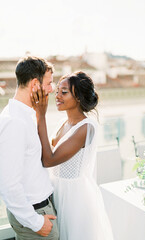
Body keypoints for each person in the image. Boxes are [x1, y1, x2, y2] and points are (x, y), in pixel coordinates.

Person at [31, 71, 114, 240]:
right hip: (57, 191)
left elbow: (49, 160)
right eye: (57, 91)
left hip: (75, 198)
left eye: (64, 92)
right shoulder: (64, 123)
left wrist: (41, 114)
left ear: (78, 97)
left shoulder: (86, 127)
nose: (58, 96)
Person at [0, 56, 59, 240]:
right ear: (35, 84)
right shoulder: (15, 122)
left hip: (39, 208)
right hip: (35, 213)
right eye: (49, 83)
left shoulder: (25, 114)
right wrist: (36, 222)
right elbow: (8, 184)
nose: (52, 89)